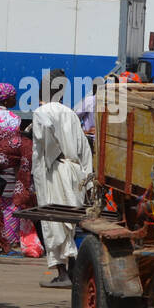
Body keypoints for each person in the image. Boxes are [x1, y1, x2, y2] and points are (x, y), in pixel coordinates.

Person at [31, 79, 94, 288]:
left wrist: (52, 155)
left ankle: (62, 273)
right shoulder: (70, 113)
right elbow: (84, 148)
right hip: (74, 172)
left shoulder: (41, 112)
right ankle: (73, 270)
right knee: (70, 222)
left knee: (53, 222)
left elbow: (44, 138)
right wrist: (87, 178)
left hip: (53, 173)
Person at [0, 83, 36, 256]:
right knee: (9, 205)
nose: (16, 99)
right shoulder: (14, 119)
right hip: (9, 170)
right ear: (8, 98)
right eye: (14, 96)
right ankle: (7, 242)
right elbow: (15, 146)